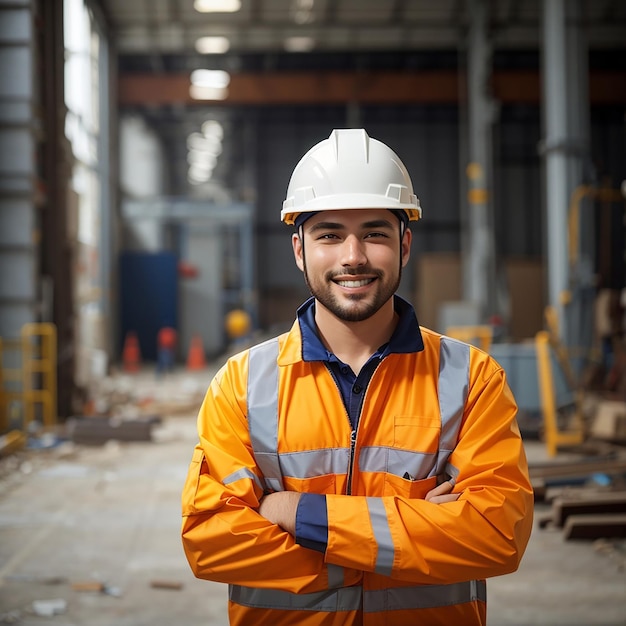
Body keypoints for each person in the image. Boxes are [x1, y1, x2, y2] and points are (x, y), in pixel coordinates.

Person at [181, 128, 534, 625]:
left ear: (404, 245)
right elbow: (212, 542)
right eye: (329, 234)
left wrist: (294, 513)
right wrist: (408, 541)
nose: (353, 256)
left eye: (374, 233)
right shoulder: (242, 384)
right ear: (299, 249)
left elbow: (497, 535)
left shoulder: (472, 379)